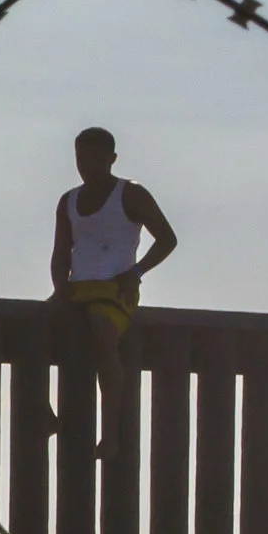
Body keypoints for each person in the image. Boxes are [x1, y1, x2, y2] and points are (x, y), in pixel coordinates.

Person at [49, 126, 176, 451]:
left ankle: (111, 430)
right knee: (35, 327)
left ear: (112, 159)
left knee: (102, 333)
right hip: (78, 287)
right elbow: (61, 252)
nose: (87, 165)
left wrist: (136, 272)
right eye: (81, 157)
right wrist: (60, 286)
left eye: (95, 158)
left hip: (115, 289)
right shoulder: (69, 200)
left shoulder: (130, 194)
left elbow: (167, 238)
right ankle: (44, 410)